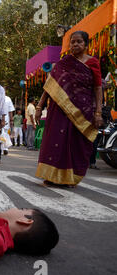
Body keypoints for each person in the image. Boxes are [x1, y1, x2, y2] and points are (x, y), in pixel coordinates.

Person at [35, 31, 103, 188]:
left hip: (82, 111)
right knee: (55, 141)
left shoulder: (93, 63)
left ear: (86, 45)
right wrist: (39, 106)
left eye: (79, 42)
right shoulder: (64, 62)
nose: (75, 44)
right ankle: (51, 177)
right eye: (72, 42)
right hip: (58, 110)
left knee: (77, 144)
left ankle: (70, 178)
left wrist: (98, 113)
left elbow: (98, 89)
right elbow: (49, 86)